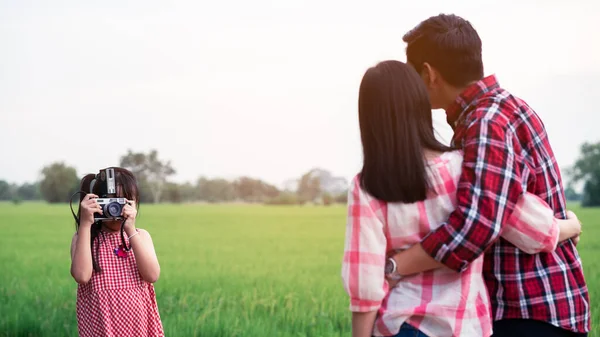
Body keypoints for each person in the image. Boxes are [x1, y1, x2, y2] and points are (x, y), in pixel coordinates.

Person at [341, 60, 582, 337]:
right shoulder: (463, 165)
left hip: (401, 325)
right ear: (421, 106)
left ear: (369, 119)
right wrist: (571, 226)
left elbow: (366, 284)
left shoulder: (367, 187)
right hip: (465, 327)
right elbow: (535, 230)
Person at [385, 14, 590, 337]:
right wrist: (565, 226)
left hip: (527, 311)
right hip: (531, 309)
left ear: (428, 74)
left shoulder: (487, 123)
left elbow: (475, 226)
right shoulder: (502, 109)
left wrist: (395, 266)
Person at [70, 167, 164, 337]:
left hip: (140, 327)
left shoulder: (140, 236)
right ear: (96, 202)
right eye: (111, 202)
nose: (116, 209)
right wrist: (85, 224)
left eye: (124, 202)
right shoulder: (85, 238)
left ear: (135, 203)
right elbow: (82, 276)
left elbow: (152, 275)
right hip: (102, 328)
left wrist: (130, 230)